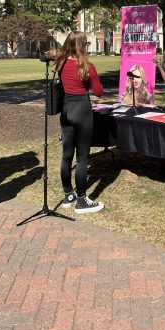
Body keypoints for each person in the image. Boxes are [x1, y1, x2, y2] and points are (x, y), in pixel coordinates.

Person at [54, 31, 105, 213]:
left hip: (67, 110)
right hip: (82, 110)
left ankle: (68, 194)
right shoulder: (87, 67)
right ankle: (82, 200)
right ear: (83, 46)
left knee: (67, 155)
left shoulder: (61, 64)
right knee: (82, 157)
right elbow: (99, 92)